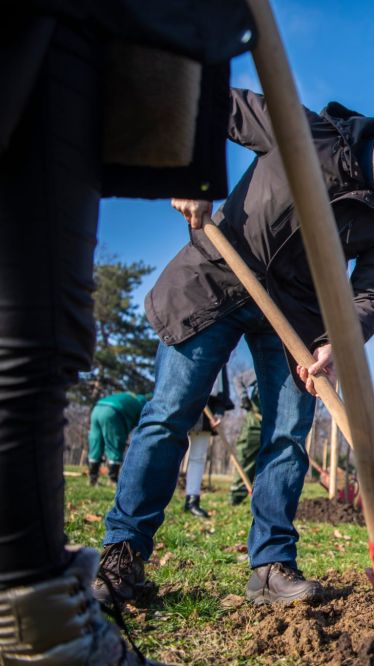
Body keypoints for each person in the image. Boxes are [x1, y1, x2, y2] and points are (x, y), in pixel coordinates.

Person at [94, 89, 374, 606]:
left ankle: (270, 567)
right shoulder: (300, 131)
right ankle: (123, 556)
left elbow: (373, 293)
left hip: (294, 319)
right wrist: (190, 175)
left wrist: (339, 341)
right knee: (169, 414)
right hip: (215, 280)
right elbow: (203, 103)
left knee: (288, 434)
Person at [0, 3, 255, 662]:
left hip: (86, 30)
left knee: (37, 331)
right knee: (34, 336)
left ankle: (39, 609)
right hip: (66, 31)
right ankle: (46, 617)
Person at [182, 366, 234, 518]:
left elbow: (221, 387)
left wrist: (218, 412)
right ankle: (155, 498)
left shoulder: (222, 354)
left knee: (198, 456)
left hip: (207, 406)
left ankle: (192, 500)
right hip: (182, 398)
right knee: (168, 448)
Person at [88, 391, 150, 486]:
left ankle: (92, 479)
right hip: (113, 412)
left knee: (96, 443)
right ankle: (113, 480)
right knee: (114, 445)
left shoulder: (130, 397)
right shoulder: (143, 404)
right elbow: (141, 423)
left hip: (97, 408)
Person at [230, 372, 262, 506]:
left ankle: (266, 497)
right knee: (246, 455)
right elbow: (237, 378)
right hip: (255, 421)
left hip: (277, 423)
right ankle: (237, 494)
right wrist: (243, 397)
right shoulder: (262, 368)